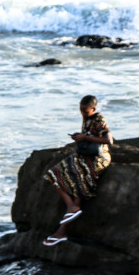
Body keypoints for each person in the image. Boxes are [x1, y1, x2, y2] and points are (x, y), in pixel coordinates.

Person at [42, 95, 114, 246]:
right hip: (85, 155)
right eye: (80, 110)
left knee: (80, 182)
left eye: (85, 111)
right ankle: (71, 207)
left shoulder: (99, 119)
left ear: (93, 109)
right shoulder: (86, 118)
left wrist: (84, 138)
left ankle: (62, 230)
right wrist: (80, 137)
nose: (82, 113)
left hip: (98, 159)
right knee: (52, 174)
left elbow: (108, 140)